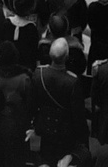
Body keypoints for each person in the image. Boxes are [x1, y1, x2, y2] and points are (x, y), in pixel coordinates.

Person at [29, 38, 87, 166]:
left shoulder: (39, 73)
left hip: (43, 128)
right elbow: (78, 115)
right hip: (64, 132)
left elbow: (32, 104)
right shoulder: (72, 81)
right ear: (66, 57)